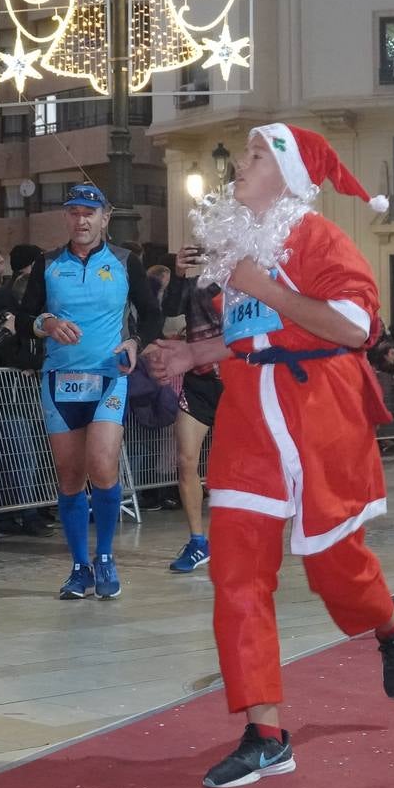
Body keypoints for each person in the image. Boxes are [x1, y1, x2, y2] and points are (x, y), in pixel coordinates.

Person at [142, 123, 394, 788]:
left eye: (258, 154)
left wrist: (261, 286)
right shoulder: (242, 246)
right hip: (247, 421)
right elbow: (253, 339)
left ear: (290, 176)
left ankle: (389, 622)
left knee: (335, 571)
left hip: (316, 418)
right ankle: (264, 732)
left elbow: (354, 328)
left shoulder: (320, 239)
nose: (241, 162)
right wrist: (191, 353)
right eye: (245, 153)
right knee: (235, 574)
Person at [18, 183, 162, 599]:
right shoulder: (47, 264)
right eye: (74, 213)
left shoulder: (124, 262)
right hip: (59, 381)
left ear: (105, 218)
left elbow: (151, 314)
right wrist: (45, 323)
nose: (81, 221)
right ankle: (79, 566)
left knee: (102, 466)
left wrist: (136, 342)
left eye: (89, 213)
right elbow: (26, 314)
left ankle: (105, 557)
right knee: (69, 476)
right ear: (66, 217)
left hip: (108, 378)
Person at [159, 243, 225, 574]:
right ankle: (198, 541)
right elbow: (169, 312)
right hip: (199, 383)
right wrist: (179, 274)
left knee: (233, 470)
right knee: (185, 461)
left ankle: (237, 539)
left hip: (237, 382)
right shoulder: (195, 279)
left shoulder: (247, 274)